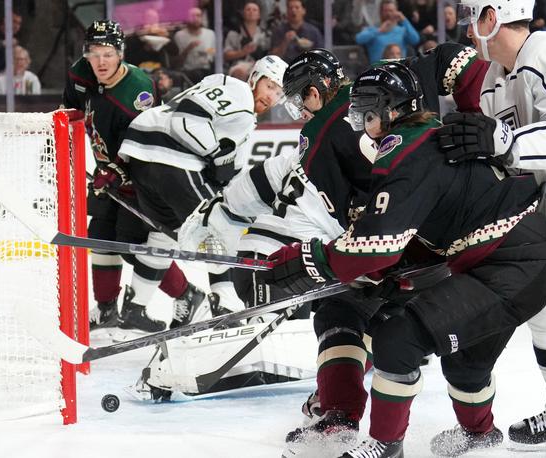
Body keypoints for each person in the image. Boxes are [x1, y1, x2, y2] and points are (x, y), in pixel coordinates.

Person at [180, 44, 487, 454]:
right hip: (451, 235)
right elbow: (455, 60)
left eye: (298, 102)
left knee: (340, 310)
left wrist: (274, 264)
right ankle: (473, 429)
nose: (299, 113)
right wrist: (479, 118)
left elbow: (335, 220)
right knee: (384, 318)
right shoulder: (386, 78)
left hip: (397, 244)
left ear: (311, 91)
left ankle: (342, 411)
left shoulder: (316, 135)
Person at [258, 61, 546, 458]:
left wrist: (309, 260)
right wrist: (385, 268)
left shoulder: (404, 152)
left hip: (506, 267)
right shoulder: (425, 136)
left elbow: (376, 244)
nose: (360, 121)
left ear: (392, 109)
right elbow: (415, 231)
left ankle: (385, 445)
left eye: (366, 109)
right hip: (519, 259)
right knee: (465, 363)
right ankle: (479, 435)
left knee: (398, 336)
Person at [436, 0, 546, 449]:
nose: (465, 25)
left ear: (493, 15)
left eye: (471, 14)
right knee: (539, 308)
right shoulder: (493, 81)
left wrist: (502, 141)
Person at [118, 55, 288, 327]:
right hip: (171, 158)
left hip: (145, 161)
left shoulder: (243, 120)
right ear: (255, 78)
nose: (272, 97)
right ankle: (226, 305)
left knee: (165, 236)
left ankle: (134, 310)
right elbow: (187, 118)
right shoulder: (239, 91)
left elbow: (230, 178)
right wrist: (217, 153)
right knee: (221, 227)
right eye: (270, 86)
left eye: (279, 93)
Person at [62, 19, 164, 333]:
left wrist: (118, 170)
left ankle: (189, 295)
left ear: (119, 53)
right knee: (101, 233)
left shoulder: (138, 90)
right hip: (106, 174)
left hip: (142, 175)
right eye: (94, 53)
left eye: (107, 53)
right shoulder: (81, 73)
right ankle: (106, 309)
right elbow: (68, 113)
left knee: (132, 244)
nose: (100, 61)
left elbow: (149, 143)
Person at [355, 0, 420, 63]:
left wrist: (404, 20)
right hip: (379, 69)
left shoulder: (402, 30)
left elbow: (415, 40)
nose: (388, 13)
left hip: (398, 68)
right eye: (385, 11)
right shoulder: (373, 29)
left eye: (391, 11)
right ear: (380, 12)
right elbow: (359, 39)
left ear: (396, 12)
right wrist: (379, 30)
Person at [224, 1, 270, 81]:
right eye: (248, 9)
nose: (251, 12)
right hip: (240, 65)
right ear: (243, 13)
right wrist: (243, 52)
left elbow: (270, 53)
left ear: (259, 15)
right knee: (239, 73)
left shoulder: (265, 34)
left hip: (260, 64)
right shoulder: (234, 33)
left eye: (254, 10)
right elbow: (226, 55)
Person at [173, 7, 216, 83]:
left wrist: (208, 52)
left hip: (207, 68)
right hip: (188, 71)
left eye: (198, 15)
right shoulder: (179, 35)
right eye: (193, 16)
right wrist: (188, 48)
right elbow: (176, 62)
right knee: (198, 74)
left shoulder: (210, 34)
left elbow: (213, 52)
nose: (196, 18)